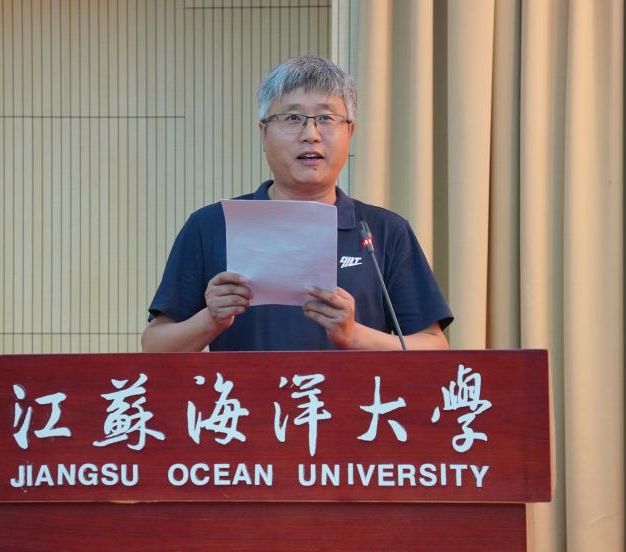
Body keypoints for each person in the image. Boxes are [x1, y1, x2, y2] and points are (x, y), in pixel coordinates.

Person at [141, 55, 452, 352]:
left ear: (350, 132)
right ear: (263, 133)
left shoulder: (385, 231)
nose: (311, 134)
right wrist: (210, 320)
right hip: (245, 393)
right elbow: (154, 346)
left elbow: (433, 347)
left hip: (351, 394)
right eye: (292, 118)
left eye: (326, 118)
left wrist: (354, 335)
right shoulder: (211, 225)